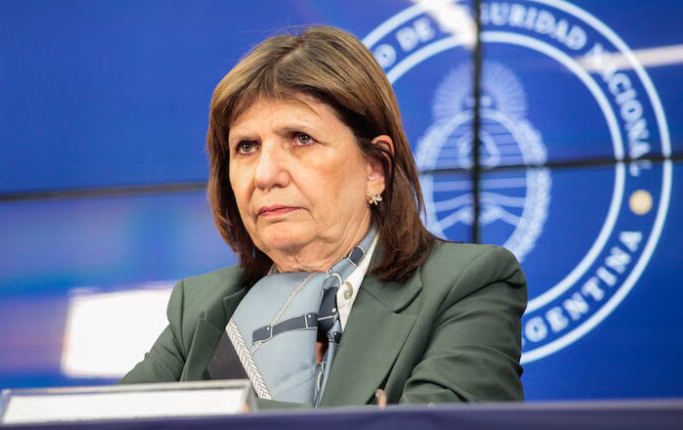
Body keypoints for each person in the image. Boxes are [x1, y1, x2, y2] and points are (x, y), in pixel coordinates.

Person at [121, 25, 527, 408]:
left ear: (375, 168)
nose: (265, 175)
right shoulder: (200, 308)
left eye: (301, 139)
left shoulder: (469, 285)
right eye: (246, 147)